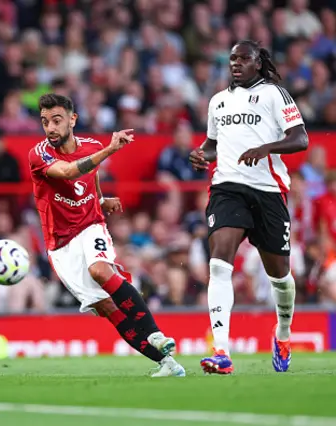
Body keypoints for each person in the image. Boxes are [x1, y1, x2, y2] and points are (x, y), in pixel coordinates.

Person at [29, 93, 185, 377]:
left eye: (56, 120)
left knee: (100, 270)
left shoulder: (90, 146)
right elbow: (67, 172)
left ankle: (155, 334)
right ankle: (167, 363)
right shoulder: (39, 154)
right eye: (44, 122)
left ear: (72, 120)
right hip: (61, 246)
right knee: (107, 307)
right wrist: (110, 150)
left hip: (90, 225)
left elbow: (92, 171)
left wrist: (99, 199)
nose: (50, 128)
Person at [189, 40, 309, 374]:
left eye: (244, 58)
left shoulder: (274, 93)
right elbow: (213, 145)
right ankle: (221, 351)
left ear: (258, 62)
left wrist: (265, 148)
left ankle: (283, 333)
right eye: (232, 59)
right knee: (218, 262)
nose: (236, 63)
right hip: (228, 189)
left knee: (280, 277)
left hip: (268, 191)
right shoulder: (218, 101)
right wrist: (201, 154)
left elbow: (301, 139)